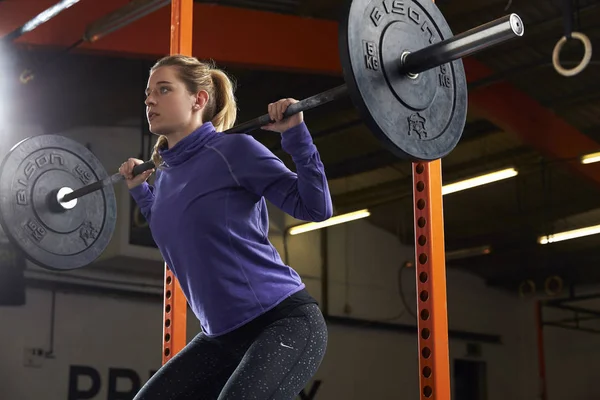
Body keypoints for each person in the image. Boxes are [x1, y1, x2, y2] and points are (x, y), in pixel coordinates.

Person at [119, 54, 333, 399]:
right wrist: (139, 190)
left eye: (163, 89)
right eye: (148, 94)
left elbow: (316, 207)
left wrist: (296, 137)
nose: (150, 100)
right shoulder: (167, 177)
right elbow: (173, 229)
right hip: (220, 338)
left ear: (198, 99)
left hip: (281, 322)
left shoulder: (233, 151)